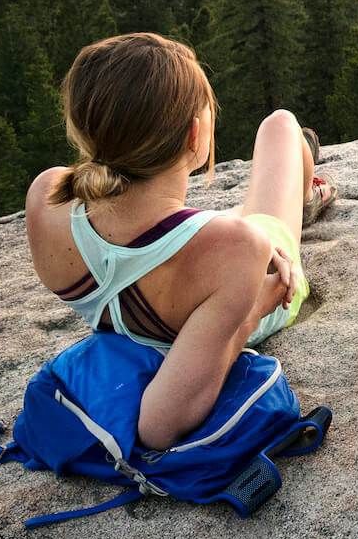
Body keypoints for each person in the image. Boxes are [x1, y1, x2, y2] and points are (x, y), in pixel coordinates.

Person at [24, 32, 337, 450]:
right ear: (195, 137)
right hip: (237, 285)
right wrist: (262, 298)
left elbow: (138, 242)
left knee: (228, 225)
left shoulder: (47, 198)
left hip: (162, 282)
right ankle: (305, 186)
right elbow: (160, 427)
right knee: (280, 126)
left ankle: (298, 182)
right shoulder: (237, 247)